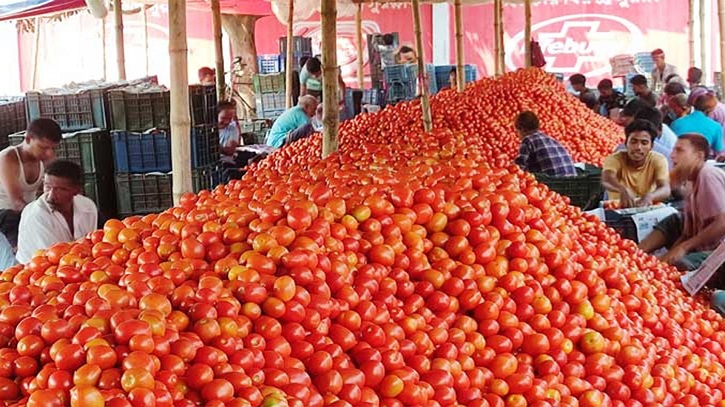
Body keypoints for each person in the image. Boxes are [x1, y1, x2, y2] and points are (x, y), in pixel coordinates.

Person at [639, 134, 725, 288]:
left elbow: (722, 223)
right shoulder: (689, 176)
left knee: (681, 263)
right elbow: (689, 225)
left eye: (680, 150)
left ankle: (653, 271)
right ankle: (637, 254)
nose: (672, 155)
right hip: (701, 235)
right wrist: (673, 250)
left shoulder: (707, 176)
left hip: (718, 250)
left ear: (699, 156)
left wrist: (684, 247)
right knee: (675, 219)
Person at [16, 160, 97, 264]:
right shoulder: (37, 215)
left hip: (77, 268)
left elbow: (90, 246)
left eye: (60, 189)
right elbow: (53, 258)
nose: (51, 196)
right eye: (48, 187)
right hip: (35, 272)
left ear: (76, 190)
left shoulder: (88, 208)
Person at [0, 118, 61, 246]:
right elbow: (16, 203)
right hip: (5, 213)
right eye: (43, 147)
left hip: (26, 210)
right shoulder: (8, 158)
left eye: (53, 148)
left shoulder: (46, 158)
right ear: (28, 139)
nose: (49, 153)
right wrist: (44, 216)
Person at [602, 120, 671, 208]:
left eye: (644, 143)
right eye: (633, 142)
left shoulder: (658, 160)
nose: (638, 147)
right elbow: (607, 179)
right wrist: (622, 189)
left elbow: (665, 188)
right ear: (626, 143)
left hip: (645, 208)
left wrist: (650, 196)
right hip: (617, 208)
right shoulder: (615, 159)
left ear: (651, 146)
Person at [513, 111, 577, 177]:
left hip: (552, 182)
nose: (517, 135)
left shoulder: (528, 140)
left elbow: (518, 167)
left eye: (517, 131)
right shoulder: (550, 139)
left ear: (522, 129)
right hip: (572, 180)